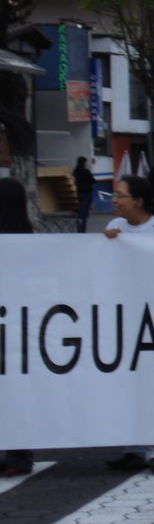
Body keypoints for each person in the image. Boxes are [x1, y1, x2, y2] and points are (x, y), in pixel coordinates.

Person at [102, 175, 154, 474]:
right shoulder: (116, 228)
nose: (114, 200)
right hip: (126, 316)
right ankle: (131, 446)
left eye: (120, 195)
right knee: (128, 383)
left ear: (138, 200)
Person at [0, 178, 35, 476]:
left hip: (6, 326)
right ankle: (19, 452)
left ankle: (17, 454)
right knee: (15, 390)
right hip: (19, 329)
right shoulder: (29, 238)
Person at [72, 156, 96, 233]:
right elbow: (92, 180)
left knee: (81, 210)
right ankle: (82, 228)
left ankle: (79, 225)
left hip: (80, 192)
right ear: (84, 163)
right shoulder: (86, 171)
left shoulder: (76, 171)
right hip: (86, 192)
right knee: (84, 212)